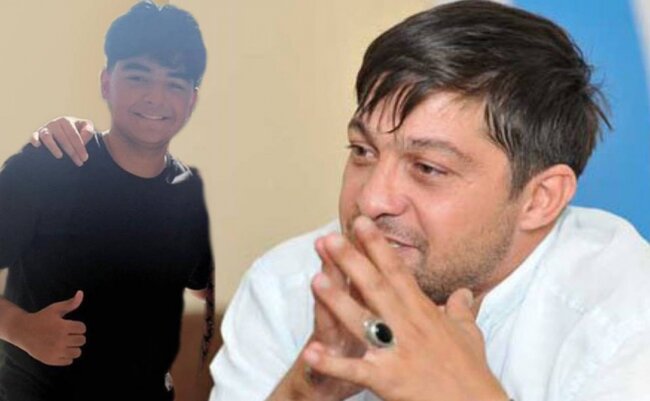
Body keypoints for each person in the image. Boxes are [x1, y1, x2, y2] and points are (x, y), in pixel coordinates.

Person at [31, 1, 650, 401]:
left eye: (428, 168)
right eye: (362, 151)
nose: (371, 199)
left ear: (540, 198)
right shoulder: (291, 281)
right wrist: (312, 382)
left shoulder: (626, 312)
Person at [0, 2, 214, 400]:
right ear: (106, 82)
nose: (155, 98)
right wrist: (20, 328)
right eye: (138, 77)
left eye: (174, 84)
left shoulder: (187, 192)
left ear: (192, 100)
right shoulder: (50, 164)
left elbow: (204, 284)